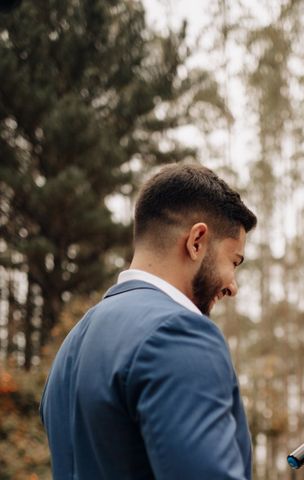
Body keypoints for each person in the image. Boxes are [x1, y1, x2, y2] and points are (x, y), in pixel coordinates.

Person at [40, 163, 257, 479]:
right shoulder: (178, 332)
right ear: (196, 241)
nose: (232, 286)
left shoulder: (73, 345)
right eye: (233, 261)